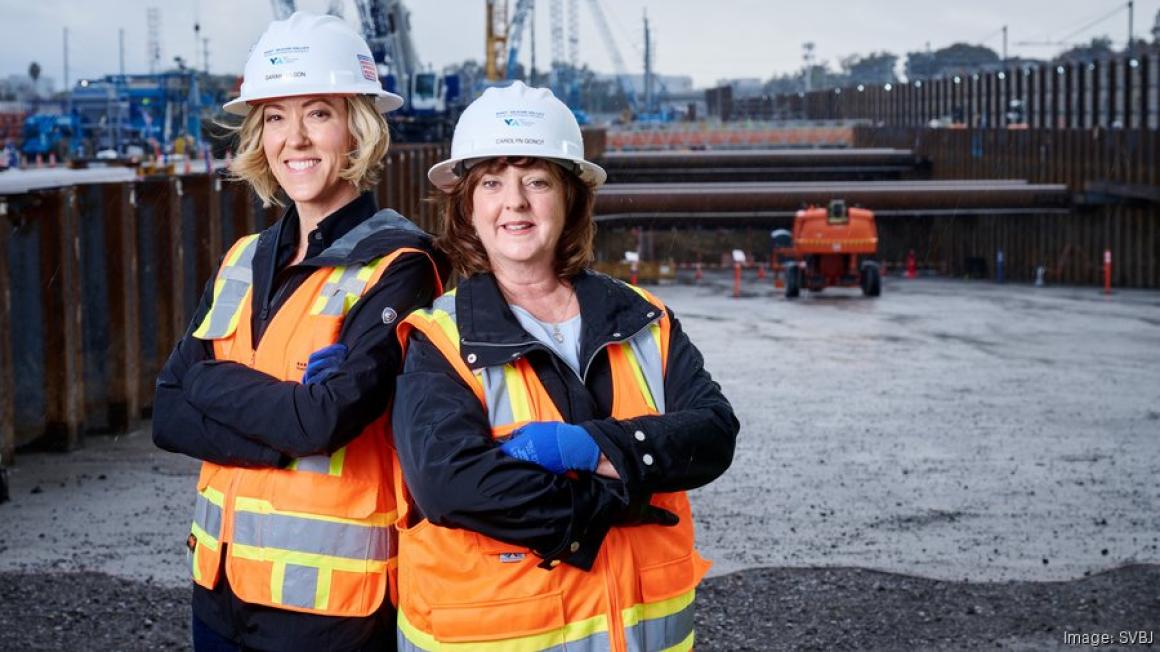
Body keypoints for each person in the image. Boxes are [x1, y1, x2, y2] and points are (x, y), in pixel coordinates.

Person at [391, 81, 738, 651]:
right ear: (468, 206)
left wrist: (589, 448)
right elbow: (449, 485)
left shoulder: (643, 317)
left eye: (536, 181)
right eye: (492, 183)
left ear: (570, 199)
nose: (515, 202)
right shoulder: (439, 337)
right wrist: (620, 501)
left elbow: (714, 433)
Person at [152, 12, 445, 651]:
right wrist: (282, 428)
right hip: (220, 595)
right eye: (276, 117)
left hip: (333, 611)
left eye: (318, 113)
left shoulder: (400, 268)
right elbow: (167, 413)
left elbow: (323, 423)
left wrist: (212, 383)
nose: (295, 138)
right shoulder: (241, 261)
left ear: (357, 128)